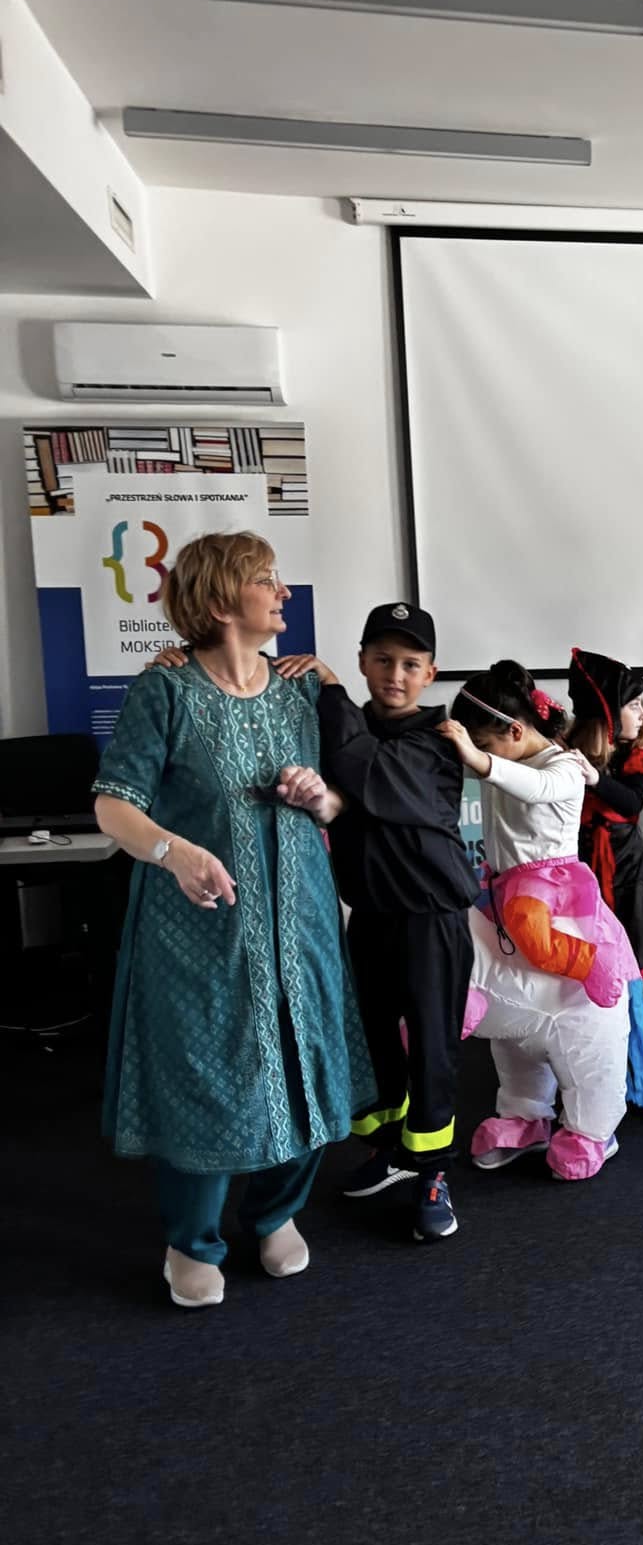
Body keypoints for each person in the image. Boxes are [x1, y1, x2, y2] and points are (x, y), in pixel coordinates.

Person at [91, 530, 372, 1309]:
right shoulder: (166, 691)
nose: (284, 593)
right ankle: (192, 1241)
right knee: (206, 1074)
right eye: (266, 580)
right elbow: (114, 805)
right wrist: (174, 851)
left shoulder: (300, 691)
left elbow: (340, 804)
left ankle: (277, 1213)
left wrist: (321, 798)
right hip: (199, 929)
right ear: (221, 601)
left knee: (305, 1057)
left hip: (301, 921)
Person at [291, 602, 479, 1244]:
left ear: (430, 673)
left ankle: (433, 1172)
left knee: (431, 1046)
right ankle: (394, 1150)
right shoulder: (348, 722)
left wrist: (331, 687)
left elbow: (362, 768)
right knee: (371, 1042)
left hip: (430, 918)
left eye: (410, 664)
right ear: (364, 659)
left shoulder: (440, 739)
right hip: (370, 913)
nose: (394, 675)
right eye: (382, 660)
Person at [440, 663, 634, 1179]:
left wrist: (479, 760)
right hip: (504, 884)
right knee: (475, 935)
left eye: (486, 743)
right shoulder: (500, 759)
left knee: (531, 932)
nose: (480, 755)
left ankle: (590, 963)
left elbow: (536, 788)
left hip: (551, 885)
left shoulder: (563, 766)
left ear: (514, 731)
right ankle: (524, 1114)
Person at [567, 645, 643, 1117]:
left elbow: (631, 801)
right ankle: (594, 1074)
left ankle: (639, 1077)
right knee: (587, 983)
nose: (642, 712)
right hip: (582, 881)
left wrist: (594, 778)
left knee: (639, 981)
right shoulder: (567, 752)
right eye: (632, 704)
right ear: (606, 712)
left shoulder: (642, 756)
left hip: (629, 880)